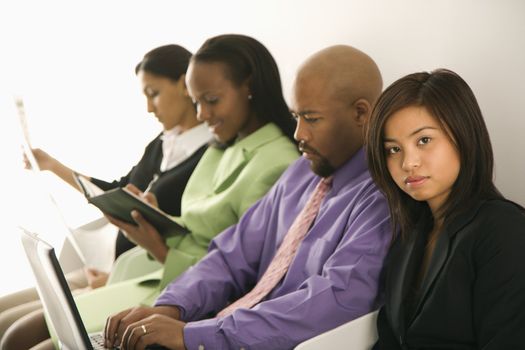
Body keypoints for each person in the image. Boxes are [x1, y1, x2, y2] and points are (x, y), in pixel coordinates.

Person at [9, 34, 300, 350]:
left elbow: (244, 271)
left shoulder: (279, 164)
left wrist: (160, 248)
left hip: (196, 295)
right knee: (21, 332)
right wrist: (159, 220)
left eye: (211, 100)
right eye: (197, 100)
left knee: (31, 338)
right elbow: (198, 229)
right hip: (173, 281)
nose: (201, 114)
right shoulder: (224, 147)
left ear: (250, 89)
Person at [103, 44, 392, 350]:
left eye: (312, 118)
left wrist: (195, 336)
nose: (298, 134)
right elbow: (230, 256)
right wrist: (172, 307)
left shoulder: (380, 200)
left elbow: (333, 302)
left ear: (361, 113)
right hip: (228, 331)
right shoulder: (300, 174)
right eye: (296, 117)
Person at [1, 44, 212, 348]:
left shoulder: (210, 155)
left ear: (183, 83)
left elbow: (192, 241)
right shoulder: (162, 144)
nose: (149, 108)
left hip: (145, 275)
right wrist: (51, 165)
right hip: (117, 269)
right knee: (5, 319)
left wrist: (118, 275)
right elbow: (117, 188)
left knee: (19, 334)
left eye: (154, 94)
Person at [366, 69, 525, 349]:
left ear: (463, 136)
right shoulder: (410, 237)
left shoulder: (504, 230)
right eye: (393, 149)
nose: (408, 163)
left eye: (423, 140)